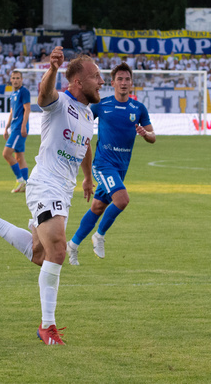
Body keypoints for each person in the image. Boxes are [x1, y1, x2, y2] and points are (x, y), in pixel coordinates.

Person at [0, 46, 102, 345]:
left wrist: (87, 176)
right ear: (77, 82)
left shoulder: (88, 115)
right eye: (96, 76)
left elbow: (86, 145)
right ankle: (46, 326)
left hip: (64, 188)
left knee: (40, 254)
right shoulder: (60, 102)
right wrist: (52, 68)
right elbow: (43, 97)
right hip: (46, 184)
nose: (101, 81)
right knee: (59, 251)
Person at [66, 62, 155, 265]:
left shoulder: (138, 108)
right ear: (113, 83)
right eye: (120, 79)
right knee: (122, 199)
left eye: (127, 79)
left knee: (97, 207)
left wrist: (145, 133)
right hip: (103, 164)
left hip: (121, 167)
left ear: (132, 83)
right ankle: (99, 235)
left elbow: (153, 136)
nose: (123, 83)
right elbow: (83, 123)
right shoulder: (101, 105)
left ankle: (72, 245)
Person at [3, 70, 32, 193]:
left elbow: (27, 109)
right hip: (14, 127)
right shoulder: (13, 93)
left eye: (17, 78)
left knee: (6, 153)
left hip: (19, 128)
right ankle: (26, 185)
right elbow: (12, 112)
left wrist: (23, 126)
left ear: (21, 79)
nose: (15, 80)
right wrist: (6, 127)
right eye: (13, 78)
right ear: (11, 80)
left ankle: (20, 180)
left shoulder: (24, 91)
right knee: (19, 156)